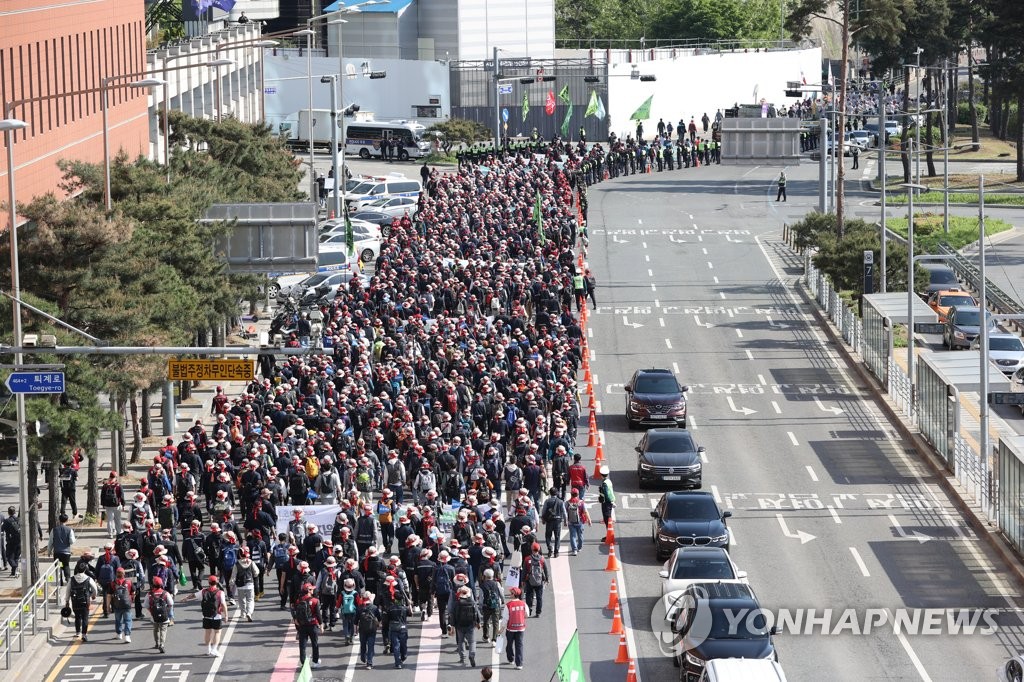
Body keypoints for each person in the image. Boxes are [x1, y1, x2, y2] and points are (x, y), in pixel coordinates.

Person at [292, 582, 322, 669]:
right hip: (313, 625)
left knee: (302, 645)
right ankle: (315, 662)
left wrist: (296, 620)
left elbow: (295, 611)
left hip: (302, 626)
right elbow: (318, 614)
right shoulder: (315, 601)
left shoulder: (299, 600)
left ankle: (303, 663)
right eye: (312, 589)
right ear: (308, 591)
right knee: (315, 644)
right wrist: (321, 624)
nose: (313, 590)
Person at [65, 563, 98, 641]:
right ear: (85, 570)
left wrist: (67, 601)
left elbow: (68, 591)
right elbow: (95, 589)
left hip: (75, 601)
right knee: (85, 617)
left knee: (77, 616)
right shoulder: (88, 578)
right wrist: (93, 595)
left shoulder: (71, 579)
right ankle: (84, 634)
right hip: (85, 601)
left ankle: (77, 632)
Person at [452, 584, 481, 667]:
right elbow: (476, 613)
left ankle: (462, 658)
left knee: (461, 642)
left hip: (459, 626)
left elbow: (453, 615)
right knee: (472, 642)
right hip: (470, 625)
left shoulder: (456, 603)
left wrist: (453, 625)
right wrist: (478, 622)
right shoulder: (472, 602)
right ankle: (472, 655)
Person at [201, 574, 229, 656]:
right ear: (216, 582)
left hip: (206, 615)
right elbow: (223, 604)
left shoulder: (204, 591)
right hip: (216, 615)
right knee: (217, 632)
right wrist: (226, 615)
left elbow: (194, 595)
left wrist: (185, 598)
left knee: (207, 632)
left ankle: (208, 649)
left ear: (208, 582)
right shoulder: (220, 592)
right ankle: (214, 649)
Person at [521, 543, 549, 617]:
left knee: (528, 596)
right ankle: (538, 612)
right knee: (539, 597)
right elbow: (546, 570)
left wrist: (523, 580)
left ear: (532, 549)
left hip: (529, 580)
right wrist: (547, 579)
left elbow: (524, 571)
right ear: (539, 549)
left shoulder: (527, 559)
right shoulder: (542, 559)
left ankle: (529, 610)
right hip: (539, 581)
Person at [147, 575, 173, 653]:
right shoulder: (165, 593)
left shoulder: (149, 594)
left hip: (154, 616)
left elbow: (146, 605)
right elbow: (171, 603)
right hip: (164, 616)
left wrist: (151, 611)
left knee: (156, 630)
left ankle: (157, 643)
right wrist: (166, 610)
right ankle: (162, 644)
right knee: (163, 630)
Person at [504, 586, 528, 670]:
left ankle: (511, 659)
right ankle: (519, 664)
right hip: (521, 628)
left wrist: (501, 629)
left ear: (514, 595)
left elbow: (505, 618)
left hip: (510, 628)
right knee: (519, 645)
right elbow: (527, 614)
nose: (510, 594)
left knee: (509, 644)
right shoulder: (523, 604)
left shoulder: (508, 605)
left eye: (511, 593)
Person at [49, 513, 76, 584]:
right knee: (66, 565)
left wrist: (49, 551)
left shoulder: (54, 530)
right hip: (66, 552)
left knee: (59, 566)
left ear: (59, 520)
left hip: (57, 552)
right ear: (67, 520)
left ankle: (60, 581)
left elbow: (50, 542)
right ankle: (67, 578)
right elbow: (72, 541)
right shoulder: (69, 530)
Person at [357, 590, 381, 669]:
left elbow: (355, 621)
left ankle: (363, 657)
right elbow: (379, 618)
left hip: (362, 629)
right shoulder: (374, 607)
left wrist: (355, 630)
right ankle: (369, 663)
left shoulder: (360, 607)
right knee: (371, 645)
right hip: (372, 629)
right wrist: (379, 624)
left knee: (363, 644)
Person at [110, 566, 134, 643]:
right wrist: (131, 600)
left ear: (116, 574)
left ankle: (119, 634)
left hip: (117, 605)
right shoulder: (129, 582)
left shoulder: (113, 583)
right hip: (127, 604)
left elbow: (109, 595)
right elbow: (133, 592)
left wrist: (108, 606)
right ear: (124, 574)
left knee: (118, 620)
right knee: (127, 620)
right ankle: (127, 636)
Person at [540, 489, 567, 558]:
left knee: (548, 536)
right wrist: (565, 521)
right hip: (558, 521)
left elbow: (543, 511)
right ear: (557, 493)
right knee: (557, 537)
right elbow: (564, 512)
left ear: (550, 493)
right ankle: (556, 552)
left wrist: (543, 519)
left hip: (549, 521)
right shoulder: (560, 502)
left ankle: (550, 549)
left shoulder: (547, 501)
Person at [565, 488, 592, 557]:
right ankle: (579, 547)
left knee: (572, 536)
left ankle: (574, 550)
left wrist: (565, 521)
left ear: (571, 494)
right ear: (578, 494)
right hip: (580, 521)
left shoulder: (567, 503)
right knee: (580, 535)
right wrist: (589, 520)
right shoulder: (581, 502)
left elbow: (565, 512)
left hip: (571, 522)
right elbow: (585, 511)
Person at [386, 597, 410, 669]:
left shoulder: (390, 609)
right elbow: (410, 614)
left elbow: (387, 619)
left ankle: (397, 663)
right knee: (403, 645)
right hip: (403, 629)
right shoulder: (404, 608)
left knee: (396, 646)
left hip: (394, 629)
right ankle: (404, 656)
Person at [100, 472, 124, 539]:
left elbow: (102, 496)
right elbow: (121, 496)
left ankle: (110, 533)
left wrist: (103, 505)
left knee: (109, 520)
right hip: (116, 505)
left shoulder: (105, 485)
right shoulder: (118, 485)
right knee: (118, 519)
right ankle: (119, 532)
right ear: (116, 478)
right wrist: (122, 504)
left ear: (109, 477)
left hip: (108, 505)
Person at [1, 506, 20, 577]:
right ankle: (14, 572)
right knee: (16, 557)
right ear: (15, 512)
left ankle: (14, 566)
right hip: (20, 541)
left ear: (8, 512)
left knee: (9, 557)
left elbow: (2, 530)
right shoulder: (18, 519)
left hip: (11, 542)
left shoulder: (7, 521)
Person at [597, 465, 616, 537]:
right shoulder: (608, 481)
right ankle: (609, 534)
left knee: (607, 518)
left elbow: (606, 494)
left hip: (606, 502)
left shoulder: (604, 483)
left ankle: (609, 535)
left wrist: (607, 499)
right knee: (608, 518)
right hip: (610, 501)